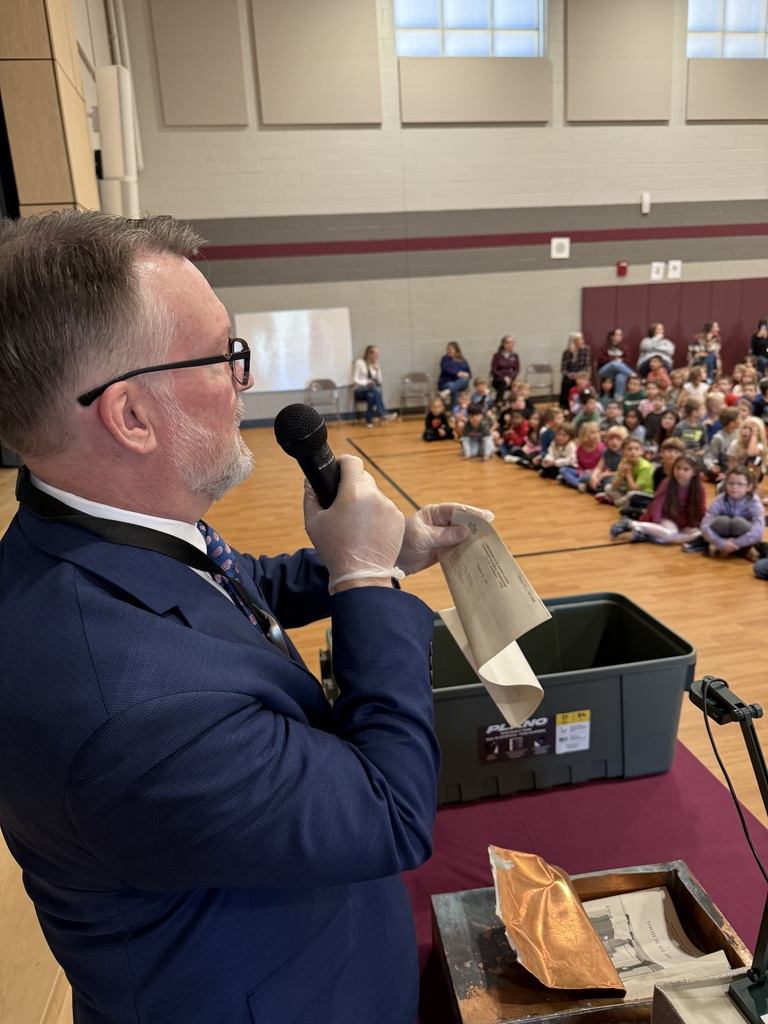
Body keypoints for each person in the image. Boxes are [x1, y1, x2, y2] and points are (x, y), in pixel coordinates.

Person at [0, 210, 486, 1024]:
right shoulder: (130, 713)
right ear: (130, 416)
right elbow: (390, 812)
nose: (244, 381)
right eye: (224, 354)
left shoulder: (76, 532)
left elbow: (212, 590)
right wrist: (363, 581)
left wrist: (372, 555)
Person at [610, 453, 706, 545]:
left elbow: (701, 508)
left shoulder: (699, 488)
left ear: (694, 472)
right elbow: (657, 506)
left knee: (698, 533)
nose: (680, 472)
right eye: (678, 468)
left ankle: (648, 535)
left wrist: (706, 525)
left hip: (684, 520)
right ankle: (630, 524)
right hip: (666, 516)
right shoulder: (667, 483)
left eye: (686, 469)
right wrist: (657, 526)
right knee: (670, 534)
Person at [699, 465, 765, 558]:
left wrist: (735, 543)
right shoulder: (720, 499)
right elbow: (704, 524)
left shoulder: (754, 501)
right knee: (722, 521)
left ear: (749, 487)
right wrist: (721, 543)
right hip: (722, 541)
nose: (734, 487)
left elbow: (759, 531)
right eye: (731, 483)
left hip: (743, 541)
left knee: (737, 522)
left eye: (740, 484)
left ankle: (739, 550)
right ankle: (724, 548)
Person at [353, 344, 398, 427]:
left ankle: (369, 421)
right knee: (374, 389)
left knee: (371, 395)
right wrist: (366, 383)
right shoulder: (359, 363)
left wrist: (377, 371)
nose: (377, 356)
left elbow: (380, 381)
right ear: (370, 354)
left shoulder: (375, 365)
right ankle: (383, 413)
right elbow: (355, 379)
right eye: (376, 354)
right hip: (359, 390)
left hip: (371, 390)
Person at [559, 422, 605, 491]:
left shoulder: (602, 448)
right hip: (582, 472)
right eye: (592, 433)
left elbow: (602, 467)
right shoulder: (579, 448)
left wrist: (591, 471)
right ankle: (578, 484)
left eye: (597, 432)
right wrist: (582, 471)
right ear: (585, 435)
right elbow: (579, 465)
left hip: (594, 473)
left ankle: (571, 480)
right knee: (564, 469)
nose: (596, 435)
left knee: (587, 477)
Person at [702, 406, 740, 483]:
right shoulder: (718, 438)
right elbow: (709, 456)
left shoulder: (739, 433)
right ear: (732, 423)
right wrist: (712, 467)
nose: (741, 421)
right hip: (724, 469)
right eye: (739, 419)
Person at [596, 328, 634, 398]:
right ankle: (633, 375)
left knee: (620, 376)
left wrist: (615, 360)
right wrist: (616, 359)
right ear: (612, 336)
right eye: (618, 335)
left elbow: (628, 360)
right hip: (605, 371)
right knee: (614, 364)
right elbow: (601, 359)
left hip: (619, 371)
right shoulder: (604, 347)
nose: (621, 336)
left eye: (621, 335)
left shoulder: (624, 348)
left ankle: (619, 398)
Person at [559, 331, 592, 409]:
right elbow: (563, 368)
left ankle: (584, 402)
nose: (582, 341)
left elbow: (586, 366)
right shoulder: (566, 353)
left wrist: (578, 375)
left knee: (581, 381)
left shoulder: (585, 350)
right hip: (570, 374)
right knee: (566, 381)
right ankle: (565, 405)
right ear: (574, 341)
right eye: (580, 339)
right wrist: (568, 374)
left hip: (581, 373)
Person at [489, 335, 520, 403]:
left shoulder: (515, 356)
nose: (512, 344)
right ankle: (499, 401)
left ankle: (514, 402)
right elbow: (494, 370)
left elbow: (517, 369)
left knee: (518, 385)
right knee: (502, 383)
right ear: (504, 344)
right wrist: (504, 377)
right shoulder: (497, 356)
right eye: (510, 342)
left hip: (511, 378)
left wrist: (510, 377)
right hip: (499, 379)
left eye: (513, 342)